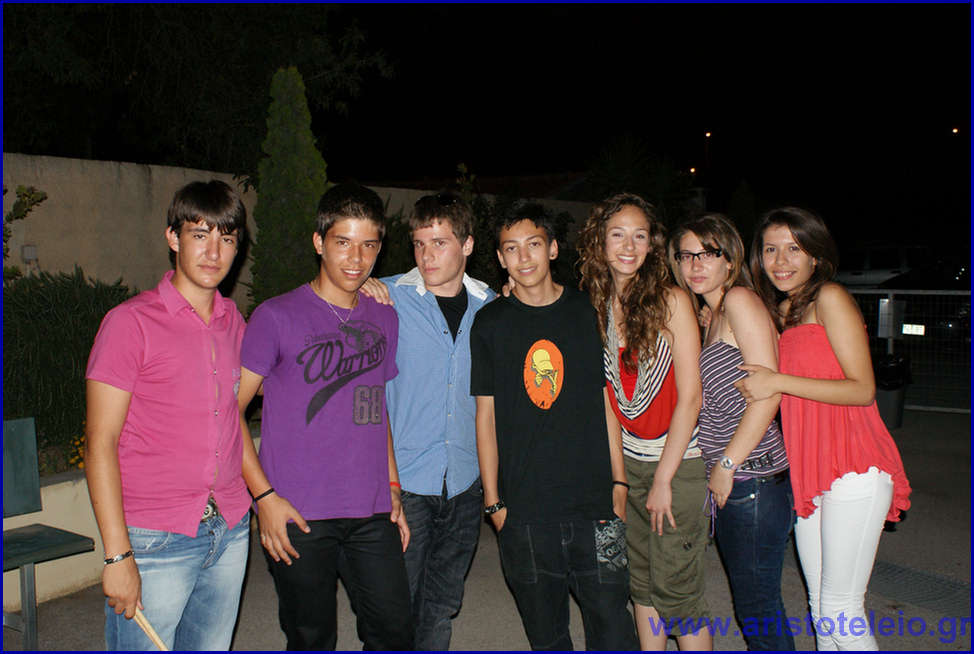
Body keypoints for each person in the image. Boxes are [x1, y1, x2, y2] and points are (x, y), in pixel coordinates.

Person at [238, 183, 413, 650]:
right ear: (319, 242)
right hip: (298, 511)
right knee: (312, 638)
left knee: (395, 632)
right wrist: (264, 498)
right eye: (343, 242)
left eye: (369, 245)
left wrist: (393, 486)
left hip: (371, 507)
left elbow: (375, 407)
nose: (356, 258)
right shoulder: (275, 316)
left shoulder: (384, 317)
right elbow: (228, 413)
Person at [84, 179, 252, 650]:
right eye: (199, 235)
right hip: (154, 536)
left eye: (227, 238)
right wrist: (117, 555)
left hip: (230, 528)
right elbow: (99, 443)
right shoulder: (130, 323)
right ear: (173, 238)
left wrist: (369, 290)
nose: (214, 252)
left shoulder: (234, 323)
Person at [736, 206, 912, 650]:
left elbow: (863, 389)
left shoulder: (829, 297)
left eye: (793, 249)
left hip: (853, 462)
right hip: (811, 469)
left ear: (816, 255)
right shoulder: (784, 310)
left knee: (840, 608)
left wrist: (777, 380)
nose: (780, 261)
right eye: (770, 250)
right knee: (820, 606)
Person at [471, 203, 639, 651]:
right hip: (524, 512)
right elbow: (485, 415)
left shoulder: (588, 311)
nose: (523, 257)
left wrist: (619, 482)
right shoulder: (490, 323)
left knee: (614, 631)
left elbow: (606, 400)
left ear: (553, 249)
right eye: (511, 248)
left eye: (533, 244)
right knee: (546, 636)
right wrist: (493, 502)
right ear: (500, 258)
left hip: (595, 503)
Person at [361, 191, 496, 649]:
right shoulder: (386, 298)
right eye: (419, 244)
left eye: (439, 243)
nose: (427, 255)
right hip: (406, 483)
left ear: (468, 245)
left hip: (464, 483)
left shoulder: (491, 307)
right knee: (393, 608)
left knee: (441, 605)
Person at [576, 193, 711, 650]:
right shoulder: (598, 304)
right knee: (641, 584)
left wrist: (664, 480)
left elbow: (691, 397)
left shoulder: (671, 300)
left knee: (679, 594)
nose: (629, 246)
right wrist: (619, 478)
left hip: (677, 464)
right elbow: (609, 402)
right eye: (618, 235)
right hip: (630, 464)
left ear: (653, 243)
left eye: (640, 235)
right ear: (600, 242)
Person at [668, 214, 794, 650]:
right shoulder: (714, 314)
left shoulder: (739, 300)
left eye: (708, 253)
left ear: (730, 259)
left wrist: (726, 464)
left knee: (759, 607)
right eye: (686, 255)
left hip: (752, 477)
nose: (695, 265)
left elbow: (768, 393)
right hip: (740, 480)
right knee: (754, 604)